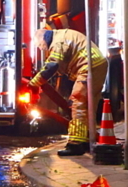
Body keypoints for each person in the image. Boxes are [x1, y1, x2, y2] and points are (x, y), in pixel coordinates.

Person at [29, 28, 108, 157]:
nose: (42, 49)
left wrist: (34, 83)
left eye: (41, 46)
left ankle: (76, 144)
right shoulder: (62, 35)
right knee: (88, 106)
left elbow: (52, 66)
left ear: (43, 38)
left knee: (78, 102)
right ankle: (88, 139)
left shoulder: (57, 43)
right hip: (96, 65)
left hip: (88, 67)